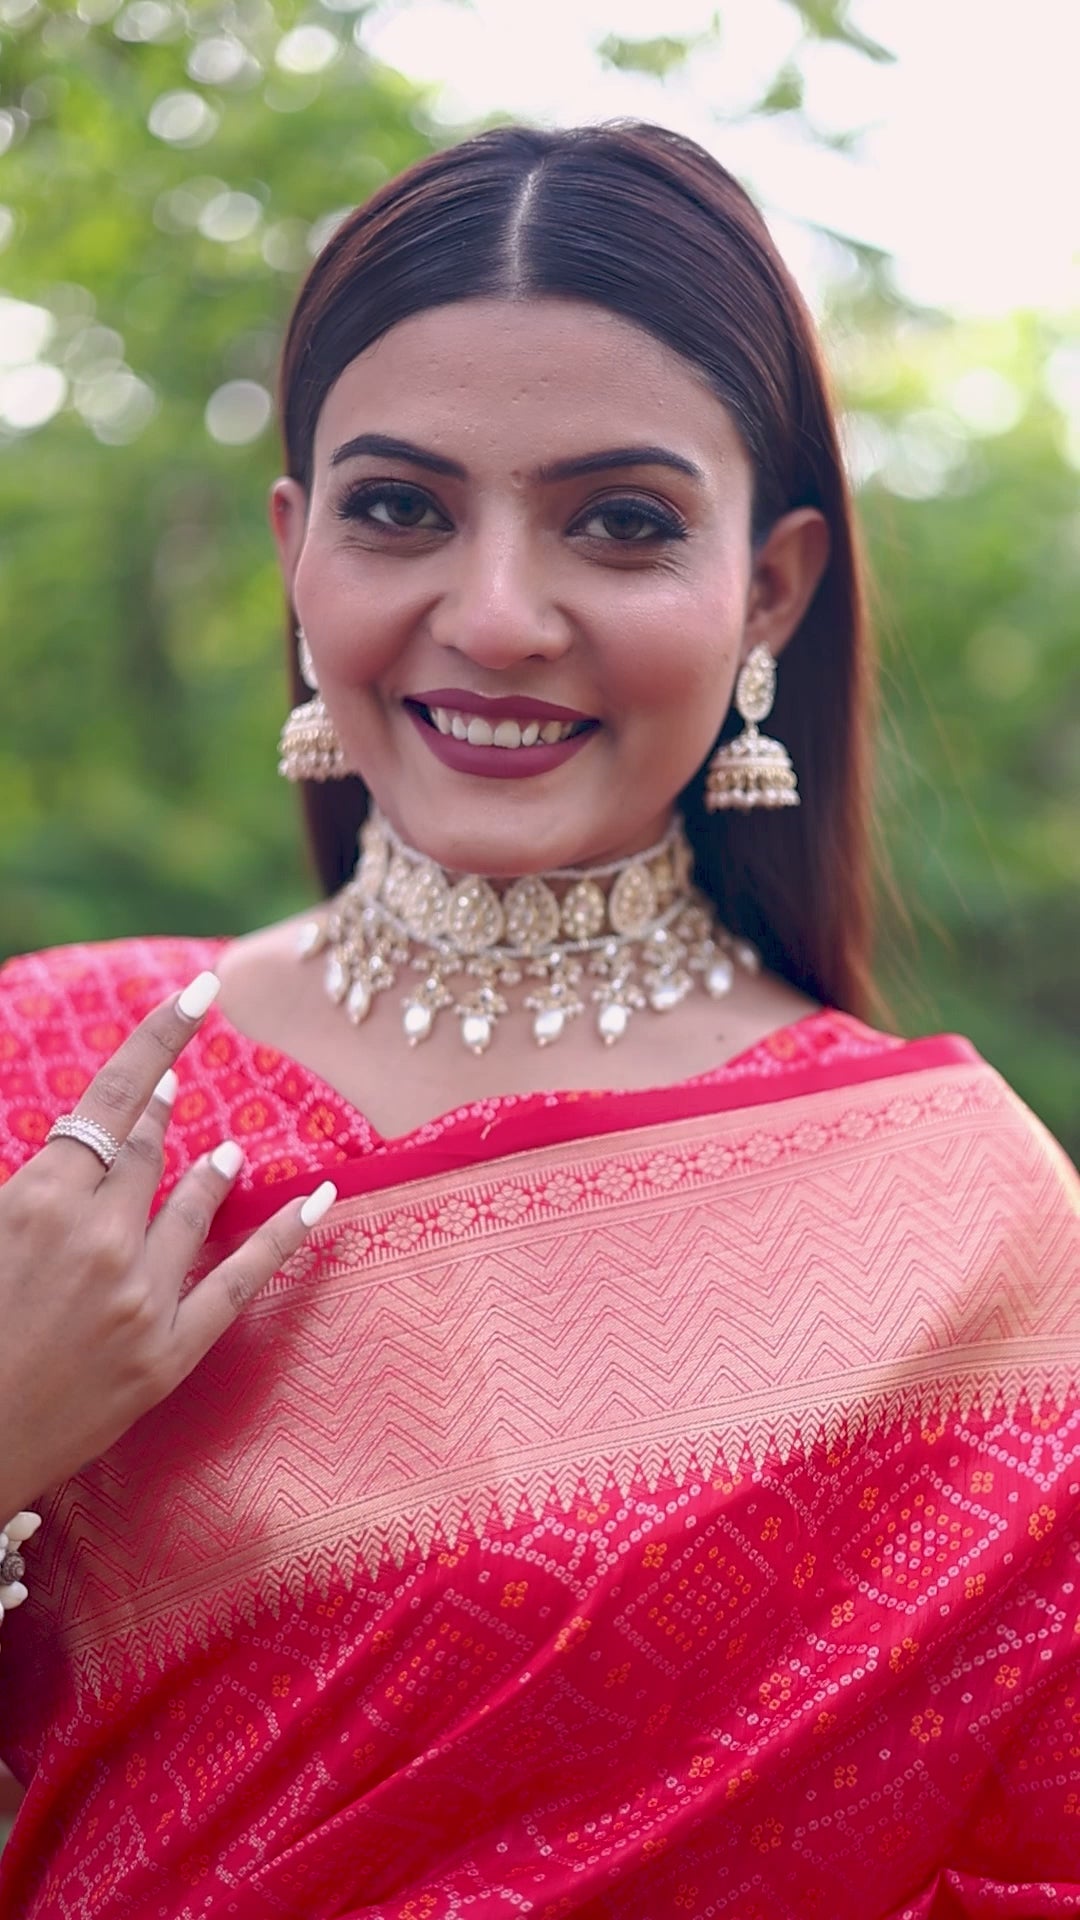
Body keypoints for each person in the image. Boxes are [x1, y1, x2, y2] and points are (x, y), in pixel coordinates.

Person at [0, 121, 1076, 1920]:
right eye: (400, 508)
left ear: (773, 586)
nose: (495, 616)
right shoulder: (61, 1085)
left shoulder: (976, 1245)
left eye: (624, 523)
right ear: (295, 546)